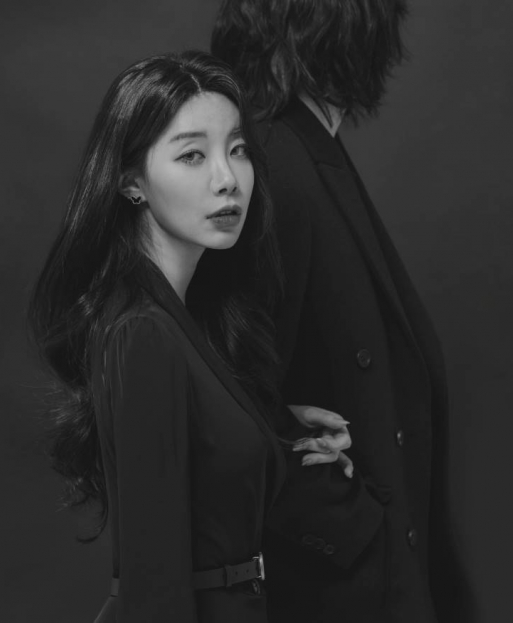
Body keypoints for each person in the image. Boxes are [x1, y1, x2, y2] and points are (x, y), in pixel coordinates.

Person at [29, 50, 348, 623]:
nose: (227, 180)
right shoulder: (141, 333)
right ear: (131, 182)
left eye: (238, 150)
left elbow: (204, 483)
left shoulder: (183, 320)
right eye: (192, 155)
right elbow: (154, 584)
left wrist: (277, 435)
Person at [211, 1, 474, 622]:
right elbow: (227, 402)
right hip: (340, 590)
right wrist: (354, 529)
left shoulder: (304, 145)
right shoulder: (271, 159)